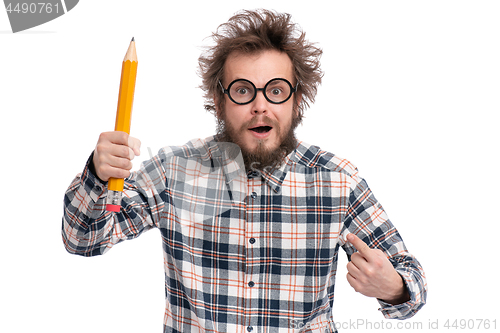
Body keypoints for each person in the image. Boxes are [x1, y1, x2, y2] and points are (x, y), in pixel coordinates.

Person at [62, 9, 427, 333]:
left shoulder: (337, 180)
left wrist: (393, 286)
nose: (259, 106)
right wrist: (96, 173)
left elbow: (412, 282)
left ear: (297, 100)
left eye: (277, 90)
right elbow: (83, 239)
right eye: (242, 91)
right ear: (219, 101)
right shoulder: (173, 172)